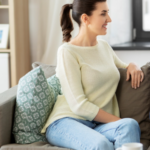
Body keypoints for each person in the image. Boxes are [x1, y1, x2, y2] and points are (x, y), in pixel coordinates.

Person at [41, 0, 143, 149]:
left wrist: (133, 65)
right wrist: (116, 120)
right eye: (103, 14)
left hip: (97, 125)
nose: (109, 19)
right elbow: (78, 105)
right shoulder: (67, 52)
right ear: (85, 18)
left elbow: (123, 65)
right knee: (101, 144)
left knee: (130, 125)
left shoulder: (104, 46)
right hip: (67, 122)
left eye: (108, 13)